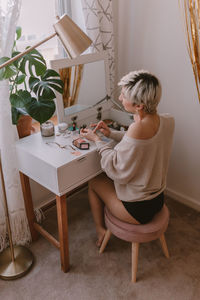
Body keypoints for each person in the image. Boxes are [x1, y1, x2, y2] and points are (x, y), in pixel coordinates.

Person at [80, 70, 175, 247]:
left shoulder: (137, 128)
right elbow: (141, 144)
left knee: (93, 182)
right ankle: (102, 228)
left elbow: (115, 167)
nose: (120, 97)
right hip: (158, 199)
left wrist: (98, 140)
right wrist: (112, 134)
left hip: (136, 209)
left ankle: (100, 230)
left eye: (123, 95)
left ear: (138, 105)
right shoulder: (167, 121)